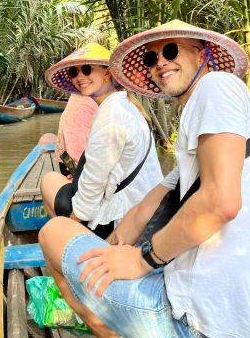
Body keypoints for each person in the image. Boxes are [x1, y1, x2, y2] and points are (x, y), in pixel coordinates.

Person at [39, 20, 250, 338]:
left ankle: (112, 337)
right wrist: (110, 248)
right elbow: (149, 204)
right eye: (151, 59)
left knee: (54, 232)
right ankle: (123, 319)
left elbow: (220, 203)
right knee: (114, 242)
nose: (160, 62)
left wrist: (141, 259)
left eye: (170, 50)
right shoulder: (199, 130)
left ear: (202, 53)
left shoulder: (216, 87)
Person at [40, 42, 163, 240]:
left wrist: (68, 225)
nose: (80, 77)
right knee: (57, 183)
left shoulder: (110, 115)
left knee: (48, 181)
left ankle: (79, 246)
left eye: (87, 69)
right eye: (74, 72)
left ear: (107, 74)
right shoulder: (126, 104)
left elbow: (92, 188)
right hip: (142, 207)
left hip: (120, 218)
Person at [55, 93, 98, 177]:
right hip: (76, 167)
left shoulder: (78, 95)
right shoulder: (84, 97)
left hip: (71, 164)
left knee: (49, 179)